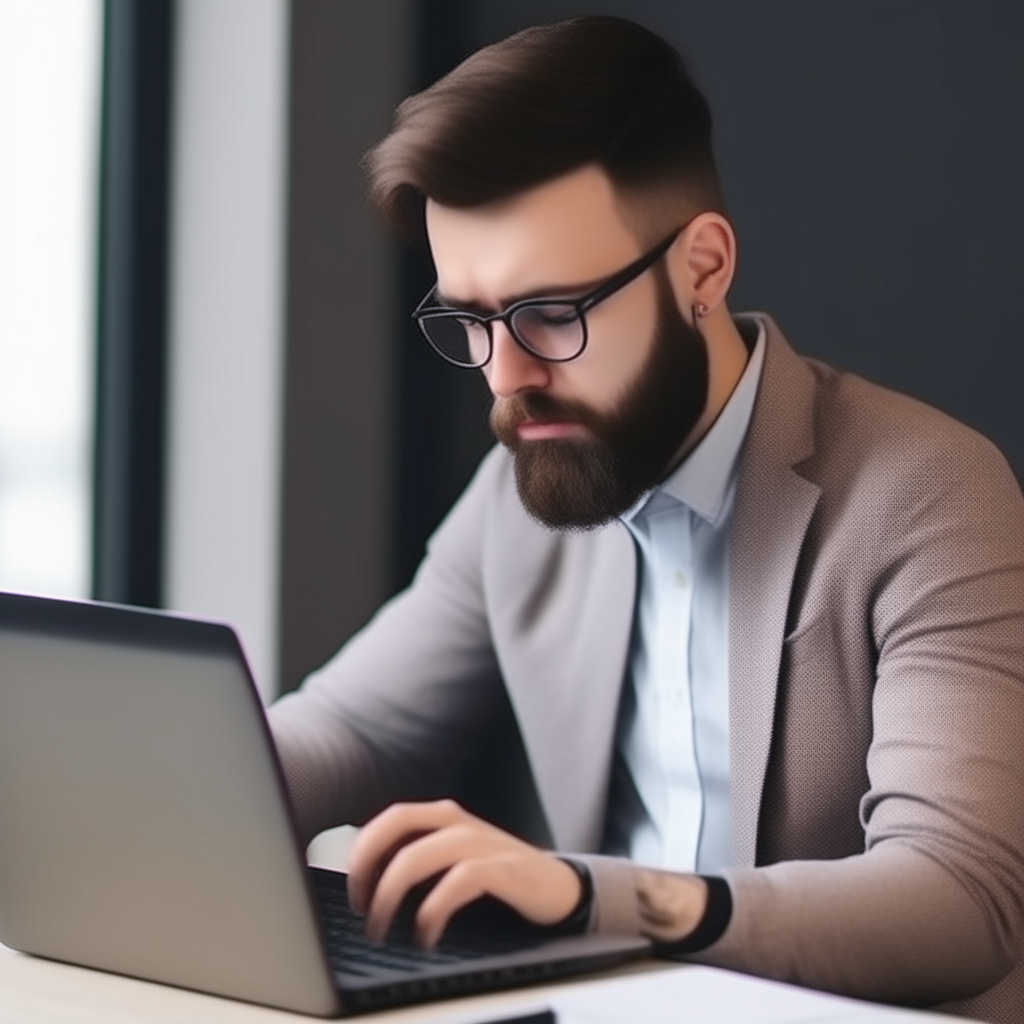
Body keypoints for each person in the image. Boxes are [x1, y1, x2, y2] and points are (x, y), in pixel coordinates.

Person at [268, 16, 1024, 1021]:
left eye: (548, 313)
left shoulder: (929, 492)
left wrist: (588, 895)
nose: (505, 376)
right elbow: (354, 727)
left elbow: (958, 897)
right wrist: (163, 789)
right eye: (470, 319)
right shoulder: (523, 484)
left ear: (701, 269)